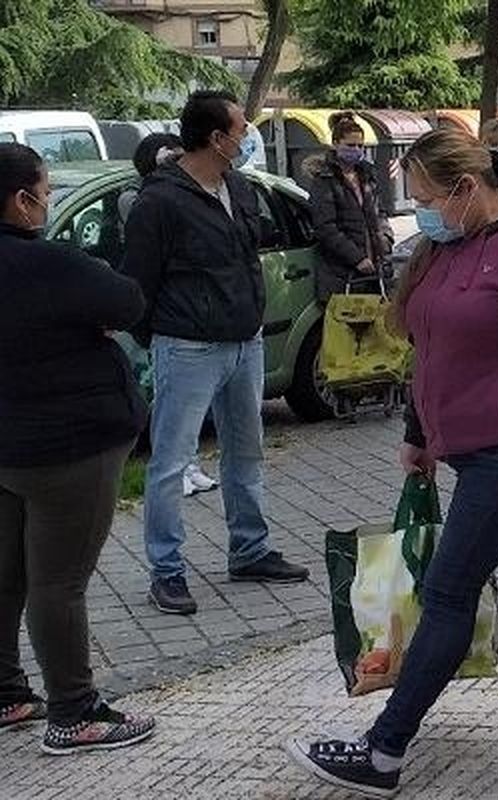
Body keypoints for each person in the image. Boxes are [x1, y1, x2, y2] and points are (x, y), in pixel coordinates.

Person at [283, 128, 498, 797]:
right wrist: (418, 432)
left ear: (468, 189)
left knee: (448, 592)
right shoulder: (446, 246)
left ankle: (383, 751)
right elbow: (429, 348)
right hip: (472, 448)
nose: (421, 212)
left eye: (427, 199)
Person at [121, 90, 310, 616]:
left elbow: (249, 255)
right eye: (241, 130)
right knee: (171, 463)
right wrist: (159, 336)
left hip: (245, 341)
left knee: (246, 453)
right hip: (187, 346)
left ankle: (250, 550)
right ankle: (167, 571)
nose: (248, 137)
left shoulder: (239, 186)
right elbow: (137, 281)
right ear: (216, 138)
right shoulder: (160, 201)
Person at [0, 142, 159, 755]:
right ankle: (74, 712)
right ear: (22, 200)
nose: (47, 202)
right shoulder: (50, 263)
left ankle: (7, 693)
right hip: (68, 447)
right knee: (58, 583)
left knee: (7, 575)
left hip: (9, 447)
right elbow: (127, 300)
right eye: (45, 191)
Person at [118, 132, 218, 500]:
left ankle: (190, 464)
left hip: (189, 316)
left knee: (189, 402)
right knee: (168, 399)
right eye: (171, 158)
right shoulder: (138, 198)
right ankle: (174, 470)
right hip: (161, 314)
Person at [307, 111, 395, 303]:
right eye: (350, 145)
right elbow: (325, 227)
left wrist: (386, 241)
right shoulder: (325, 179)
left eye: (360, 146)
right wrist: (356, 258)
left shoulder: (367, 175)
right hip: (342, 274)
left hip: (375, 270)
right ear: (335, 144)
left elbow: (379, 213)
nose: (356, 150)